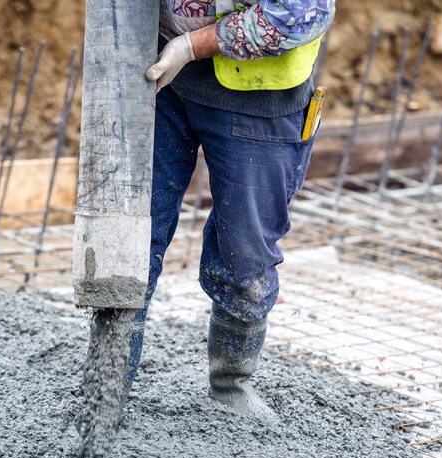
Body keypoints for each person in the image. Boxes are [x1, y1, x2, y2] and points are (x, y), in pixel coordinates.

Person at [128, 0, 335, 421]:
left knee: (245, 251)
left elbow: (297, 13)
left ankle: (230, 384)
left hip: (259, 97)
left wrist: (191, 46)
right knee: (128, 231)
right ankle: (109, 378)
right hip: (159, 75)